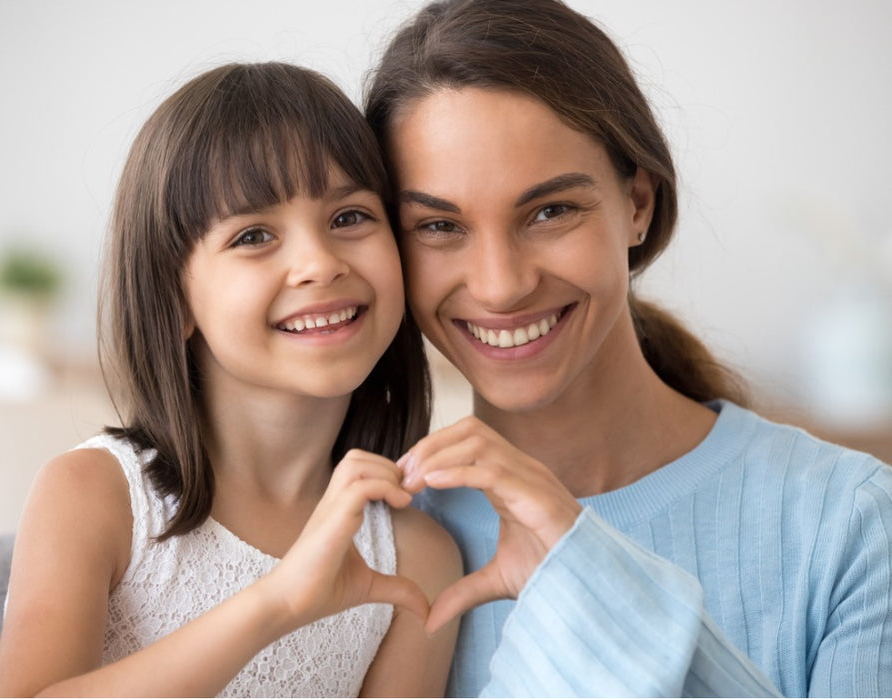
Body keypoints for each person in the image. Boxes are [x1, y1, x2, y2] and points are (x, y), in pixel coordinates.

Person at [364, 0, 892, 696]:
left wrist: (586, 568)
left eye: (549, 211)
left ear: (636, 203)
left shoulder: (850, 521)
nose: (499, 286)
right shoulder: (376, 554)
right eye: (437, 226)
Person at [0, 61, 461, 697]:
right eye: (254, 235)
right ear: (175, 301)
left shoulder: (418, 558)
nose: (319, 263)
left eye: (349, 217)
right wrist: (277, 604)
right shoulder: (94, 496)